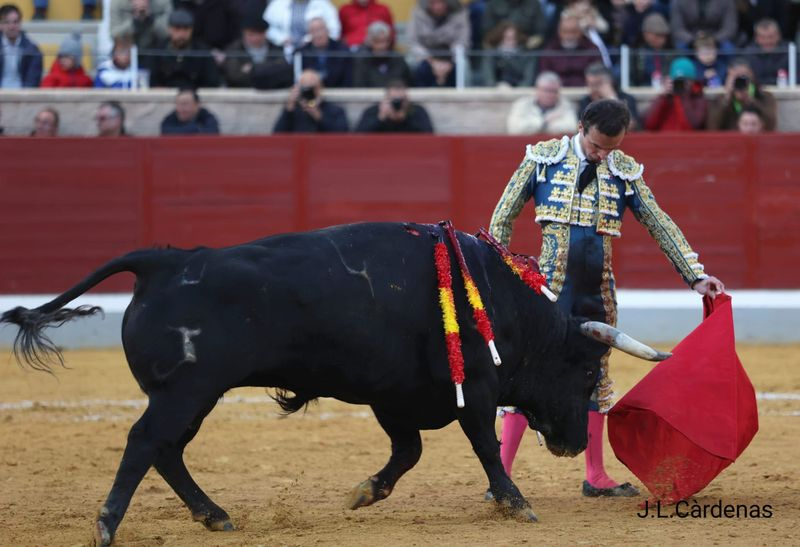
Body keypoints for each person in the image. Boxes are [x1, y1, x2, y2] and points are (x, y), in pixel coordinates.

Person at [489, 98, 725, 499]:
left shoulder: (623, 170)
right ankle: (502, 477)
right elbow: (502, 215)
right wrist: (502, 272)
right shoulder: (544, 158)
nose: (602, 155)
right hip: (548, 291)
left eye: (610, 149)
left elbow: (658, 221)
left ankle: (595, 475)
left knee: (596, 378)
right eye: (598, 147)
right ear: (582, 127)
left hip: (597, 293)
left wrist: (696, 276)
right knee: (525, 377)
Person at [142, 8, 221, 88]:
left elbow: (212, 82)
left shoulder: (202, 52)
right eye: (177, 29)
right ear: (169, 29)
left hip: (195, 97)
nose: (181, 34)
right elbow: (151, 80)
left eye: (186, 29)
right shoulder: (158, 52)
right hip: (164, 97)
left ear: (192, 30)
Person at [406, 0, 470, 88]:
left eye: (441, 2)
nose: (438, 6)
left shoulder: (460, 13)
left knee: (463, 65)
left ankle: (461, 97)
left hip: (451, 56)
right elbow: (412, 42)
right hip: (424, 55)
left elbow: (463, 41)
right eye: (434, 3)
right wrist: (430, 60)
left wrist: (448, 61)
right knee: (411, 62)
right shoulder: (418, 12)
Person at [222, 15, 293, 89]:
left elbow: (281, 71)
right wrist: (266, 71)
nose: (255, 38)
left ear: (265, 33)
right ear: (244, 33)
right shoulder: (234, 49)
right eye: (251, 34)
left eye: (259, 34)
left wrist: (252, 69)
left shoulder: (276, 49)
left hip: (269, 92)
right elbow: (233, 75)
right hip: (240, 91)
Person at [706, 58, 777, 131]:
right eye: (735, 77)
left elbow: (771, 124)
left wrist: (752, 102)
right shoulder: (720, 100)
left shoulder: (765, 97)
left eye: (743, 76)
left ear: (751, 75)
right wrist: (727, 99)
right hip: (731, 140)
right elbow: (713, 128)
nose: (740, 81)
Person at [538, 11, 602, 87]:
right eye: (565, 32)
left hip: (585, 91)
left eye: (573, 32)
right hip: (556, 92)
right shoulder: (550, 50)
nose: (569, 36)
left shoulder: (591, 49)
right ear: (559, 32)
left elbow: (598, 75)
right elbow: (545, 75)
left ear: (580, 32)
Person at [273, 69, 349, 132]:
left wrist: (319, 116)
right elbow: (277, 136)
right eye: (305, 88)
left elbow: (342, 136)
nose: (309, 92)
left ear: (320, 88)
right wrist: (289, 108)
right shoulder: (293, 111)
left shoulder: (335, 111)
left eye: (312, 88)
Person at [644, 56, 709, 131]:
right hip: (664, 140)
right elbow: (649, 125)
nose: (680, 83)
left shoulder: (698, 96)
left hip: (688, 141)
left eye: (686, 80)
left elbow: (692, 126)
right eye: (677, 80)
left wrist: (683, 96)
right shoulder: (666, 97)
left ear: (693, 81)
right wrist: (662, 96)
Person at [507, 71, 578, 135]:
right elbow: (514, 129)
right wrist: (544, 122)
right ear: (537, 90)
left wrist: (534, 128)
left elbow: (571, 128)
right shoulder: (522, 104)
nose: (550, 94)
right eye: (546, 90)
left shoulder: (565, 105)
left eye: (554, 91)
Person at [577, 62, 640, 130]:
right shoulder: (586, 101)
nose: (593, 89)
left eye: (597, 84)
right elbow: (583, 128)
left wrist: (612, 99)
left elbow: (630, 125)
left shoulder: (627, 98)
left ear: (609, 82)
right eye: (590, 84)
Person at [264, 0, 341, 54]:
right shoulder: (278, 3)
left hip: (313, 51)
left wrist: (310, 39)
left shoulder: (323, 4)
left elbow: (334, 30)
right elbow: (266, 27)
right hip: (282, 50)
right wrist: (281, 38)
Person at [355, 80, 434, 132]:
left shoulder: (417, 111)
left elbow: (429, 134)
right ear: (386, 98)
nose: (397, 103)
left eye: (401, 100)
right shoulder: (373, 111)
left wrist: (405, 119)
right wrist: (380, 118)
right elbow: (358, 135)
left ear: (407, 99)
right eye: (393, 100)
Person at [352, 20, 411, 87]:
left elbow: (409, 84)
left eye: (385, 41)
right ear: (370, 42)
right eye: (377, 42)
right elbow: (359, 87)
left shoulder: (398, 59)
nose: (382, 46)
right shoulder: (362, 61)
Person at [298, 17, 353, 88]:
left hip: (337, 91)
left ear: (328, 30)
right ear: (309, 34)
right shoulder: (302, 52)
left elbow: (346, 79)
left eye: (320, 29)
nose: (318, 35)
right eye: (313, 31)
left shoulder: (342, 50)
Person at [480, 21, 535, 88]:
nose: (510, 42)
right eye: (507, 38)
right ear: (499, 38)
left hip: (520, 92)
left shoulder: (527, 55)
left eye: (513, 38)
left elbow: (528, 80)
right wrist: (498, 87)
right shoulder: (490, 54)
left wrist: (514, 90)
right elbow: (488, 78)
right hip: (496, 92)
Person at [0, 3, 43, 88]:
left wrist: (24, 98)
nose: (11, 26)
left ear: (20, 23)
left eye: (15, 22)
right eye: (6, 22)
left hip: (22, 96)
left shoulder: (32, 49)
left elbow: (33, 80)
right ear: (0, 25)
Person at [671, 0, 738, 51]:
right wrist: (693, 41)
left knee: (728, 48)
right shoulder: (678, 2)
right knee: (681, 48)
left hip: (717, 37)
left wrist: (714, 40)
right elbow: (678, 28)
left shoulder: (727, 1)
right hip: (690, 37)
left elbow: (729, 28)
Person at [630, 12, 672, 87]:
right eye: (657, 35)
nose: (662, 40)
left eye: (664, 36)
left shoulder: (669, 53)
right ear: (645, 34)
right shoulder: (638, 53)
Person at [745, 18, 789, 86]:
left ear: (778, 35)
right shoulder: (749, 53)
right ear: (756, 38)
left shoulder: (789, 51)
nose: (767, 41)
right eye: (763, 37)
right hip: (757, 92)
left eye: (771, 37)